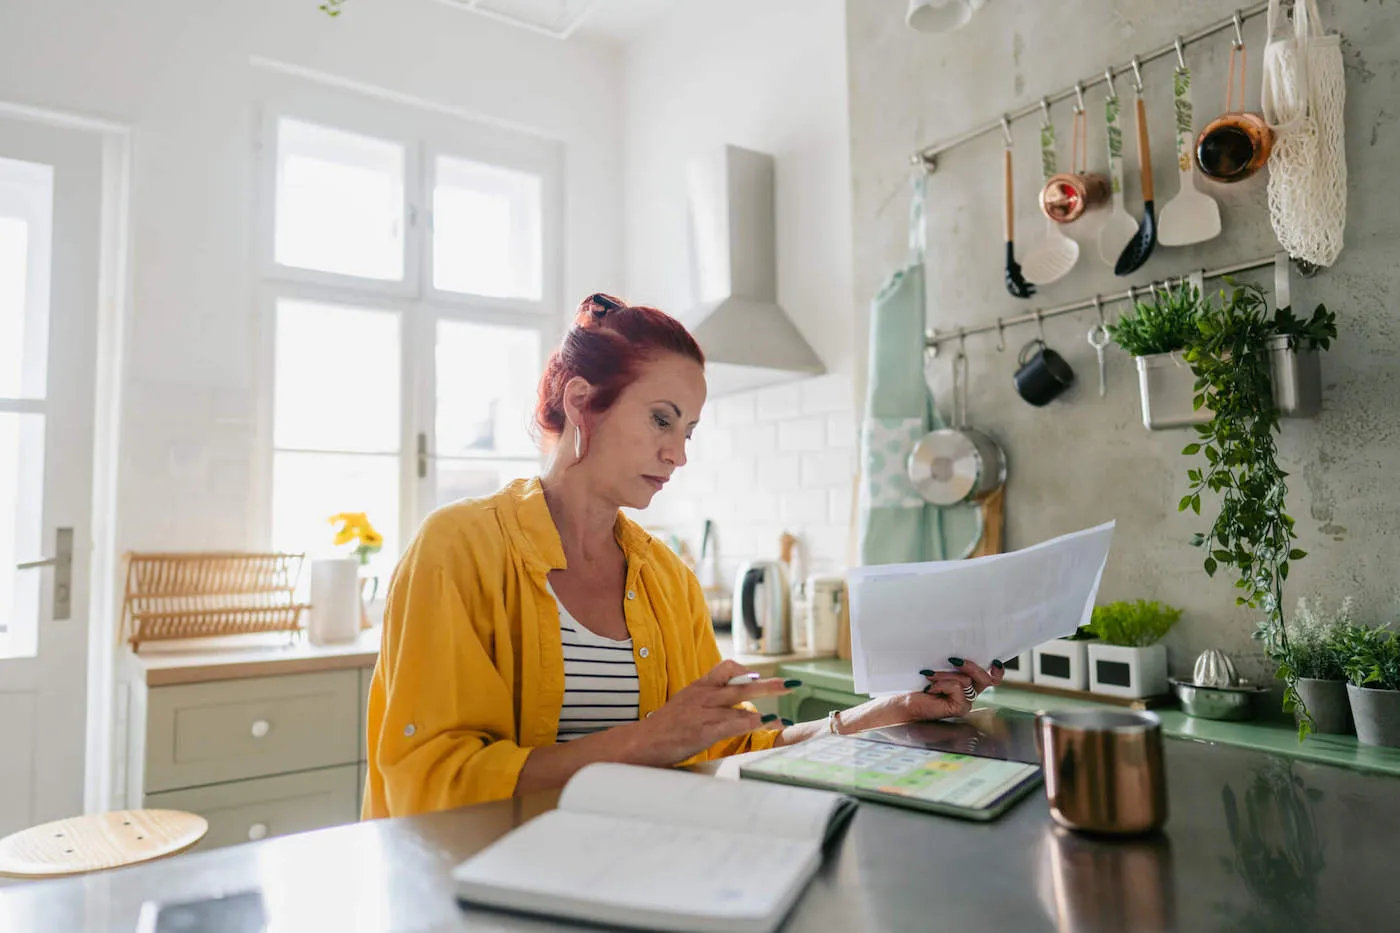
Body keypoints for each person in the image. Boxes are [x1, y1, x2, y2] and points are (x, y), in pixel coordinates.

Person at [362, 293, 1004, 819]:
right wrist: (642, 743)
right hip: (478, 887)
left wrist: (883, 713)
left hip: (634, 872)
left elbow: (733, 745)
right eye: (661, 420)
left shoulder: (664, 575)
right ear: (582, 402)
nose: (679, 454)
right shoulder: (458, 548)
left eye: (689, 431)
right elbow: (430, 779)